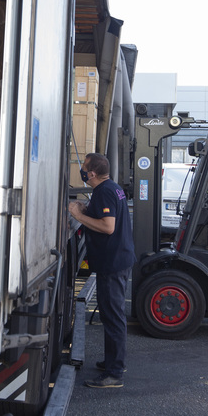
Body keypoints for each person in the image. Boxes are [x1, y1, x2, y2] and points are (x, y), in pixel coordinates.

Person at [68, 153, 135, 389]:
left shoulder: (105, 191)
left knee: (113, 316)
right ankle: (112, 362)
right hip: (116, 260)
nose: (82, 171)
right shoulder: (111, 188)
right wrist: (87, 210)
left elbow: (108, 227)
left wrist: (77, 215)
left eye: (85, 168)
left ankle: (114, 374)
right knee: (110, 314)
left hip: (113, 262)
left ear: (92, 173)